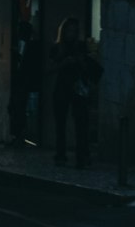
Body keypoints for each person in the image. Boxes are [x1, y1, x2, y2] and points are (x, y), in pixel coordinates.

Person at [50, 16, 102, 167]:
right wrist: (63, 63)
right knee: (61, 124)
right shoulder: (57, 48)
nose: (71, 34)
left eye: (74, 31)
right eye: (69, 31)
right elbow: (49, 68)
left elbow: (89, 66)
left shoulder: (81, 47)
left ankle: (82, 155)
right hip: (62, 88)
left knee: (81, 123)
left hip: (79, 88)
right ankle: (61, 154)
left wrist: (81, 60)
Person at [9, 20, 43, 141]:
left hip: (24, 80)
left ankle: (19, 133)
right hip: (20, 80)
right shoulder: (22, 43)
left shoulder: (32, 45)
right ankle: (18, 132)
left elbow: (27, 63)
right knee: (17, 106)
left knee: (20, 107)